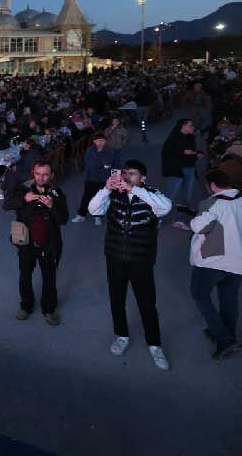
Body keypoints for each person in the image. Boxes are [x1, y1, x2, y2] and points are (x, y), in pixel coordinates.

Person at [87, 159, 174, 371]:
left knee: (147, 304)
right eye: (125, 173)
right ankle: (122, 335)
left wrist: (134, 190)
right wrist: (106, 189)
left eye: (132, 173)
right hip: (115, 257)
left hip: (141, 260)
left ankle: (154, 344)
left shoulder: (152, 195)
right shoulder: (113, 195)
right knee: (117, 300)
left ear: (142, 178)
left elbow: (166, 208)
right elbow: (93, 210)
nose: (126, 176)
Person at [188, 169, 242, 360]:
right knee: (229, 297)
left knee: (199, 294)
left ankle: (224, 339)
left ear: (212, 185)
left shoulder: (211, 203)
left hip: (213, 261)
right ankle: (226, 334)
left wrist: (191, 222)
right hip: (241, 261)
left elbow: (199, 227)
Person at [3, 161, 69, 325]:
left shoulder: (56, 193)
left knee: (49, 278)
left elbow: (64, 219)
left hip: (49, 244)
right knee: (25, 276)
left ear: (51, 175)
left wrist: (52, 206)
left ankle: (49, 309)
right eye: (38, 174)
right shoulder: (22, 189)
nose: (41, 178)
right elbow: (6, 205)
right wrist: (24, 199)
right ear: (33, 173)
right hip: (26, 243)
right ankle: (26, 306)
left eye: (45, 174)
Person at [72, 133, 119, 225]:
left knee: (103, 198)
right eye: (98, 141)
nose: (100, 143)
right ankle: (81, 215)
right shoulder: (90, 150)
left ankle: (98, 216)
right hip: (91, 178)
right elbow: (89, 164)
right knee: (87, 197)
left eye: (102, 141)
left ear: (105, 141)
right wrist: (103, 164)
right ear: (94, 141)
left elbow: (112, 164)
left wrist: (115, 178)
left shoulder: (110, 151)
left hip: (104, 180)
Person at [161, 119, 202, 218]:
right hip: (177, 168)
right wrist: (184, 152)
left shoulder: (190, 137)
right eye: (190, 125)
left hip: (190, 167)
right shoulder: (174, 138)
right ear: (183, 126)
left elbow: (191, 151)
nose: (193, 127)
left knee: (187, 190)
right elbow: (167, 152)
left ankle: (184, 207)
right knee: (172, 191)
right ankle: (161, 211)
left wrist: (197, 154)